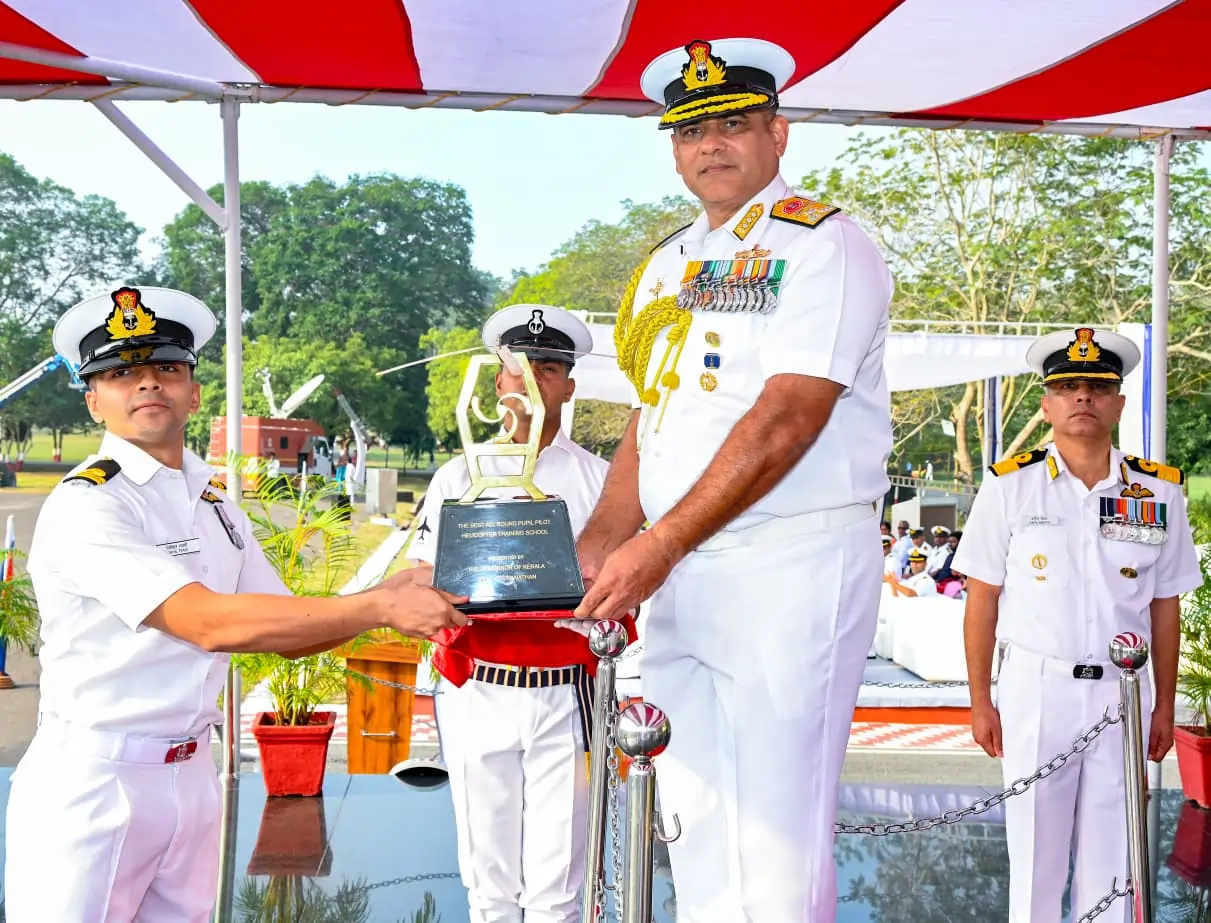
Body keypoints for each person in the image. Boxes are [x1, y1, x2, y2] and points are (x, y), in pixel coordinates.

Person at [4, 286, 466, 923]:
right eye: (122, 374)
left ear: (194, 393)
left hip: (193, 773)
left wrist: (386, 592)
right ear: (93, 401)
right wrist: (377, 610)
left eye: (166, 368)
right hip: (97, 780)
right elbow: (206, 623)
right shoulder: (90, 503)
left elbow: (286, 628)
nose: (148, 384)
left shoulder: (216, 502)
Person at [572, 37, 894, 923]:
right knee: (694, 813)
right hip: (679, 569)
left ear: (777, 134)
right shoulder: (668, 261)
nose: (709, 146)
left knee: (774, 833)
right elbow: (653, 414)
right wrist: (602, 535)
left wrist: (658, 543)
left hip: (786, 564)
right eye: (689, 133)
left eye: (732, 126)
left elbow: (789, 414)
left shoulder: (824, 246)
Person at [953, 326, 1202, 923]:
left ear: (1119, 404)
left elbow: (1164, 603)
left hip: (1124, 693)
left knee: (1114, 859)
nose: (1083, 397)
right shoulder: (1010, 485)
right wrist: (980, 700)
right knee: (1035, 856)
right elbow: (982, 598)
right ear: (1046, 405)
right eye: (1067, 388)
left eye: (1098, 387)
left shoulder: (1158, 492)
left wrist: (1164, 704)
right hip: (1039, 687)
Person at [409, 303, 637, 923]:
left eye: (548, 368)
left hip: (568, 692)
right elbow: (421, 575)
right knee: (488, 885)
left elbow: (631, 587)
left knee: (559, 889)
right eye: (519, 367)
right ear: (497, 382)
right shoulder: (456, 476)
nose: (532, 379)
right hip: (477, 687)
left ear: (569, 387)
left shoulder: (603, 483)